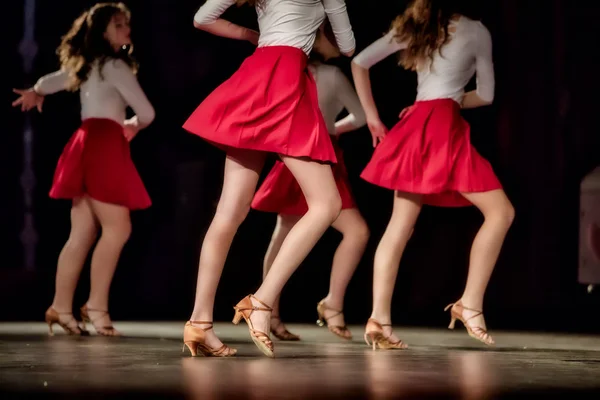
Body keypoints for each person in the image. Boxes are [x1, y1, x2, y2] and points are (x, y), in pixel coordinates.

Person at [182, 0, 355, 357]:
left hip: (256, 74)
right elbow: (348, 46)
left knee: (228, 214)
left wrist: (251, 33)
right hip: (286, 82)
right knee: (328, 203)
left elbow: (202, 18)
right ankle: (261, 302)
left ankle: (199, 323)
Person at [351, 0, 514, 348]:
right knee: (501, 212)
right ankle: (470, 304)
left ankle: (379, 319)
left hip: (416, 123)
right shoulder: (476, 30)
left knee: (399, 226)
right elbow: (486, 96)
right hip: (443, 126)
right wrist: (451, 100)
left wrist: (374, 119)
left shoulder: (415, 25)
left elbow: (359, 62)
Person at [12, 2, 155, 337]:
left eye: (126, 25)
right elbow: (147, 112)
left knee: (82, 234)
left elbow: (49, 81)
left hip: (84, 142)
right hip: (104, 144)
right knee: (118, 229)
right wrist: (133, 125)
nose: (126, 31)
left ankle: (61, 307)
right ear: (103, 31)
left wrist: (35, 91)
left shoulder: (86, 65)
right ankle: (95, 306)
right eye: (119, 25)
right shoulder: (116, 66)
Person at [251, 22, 368, 342]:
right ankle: (330, 304)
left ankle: (271, 314)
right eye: (331, 34)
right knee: (355, 231)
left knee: (285, 232)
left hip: (290, 153)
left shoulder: (294, 70)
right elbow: (358, 117)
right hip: (319, 155)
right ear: (318, 37)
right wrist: (331, 129)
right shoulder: (331, 75)